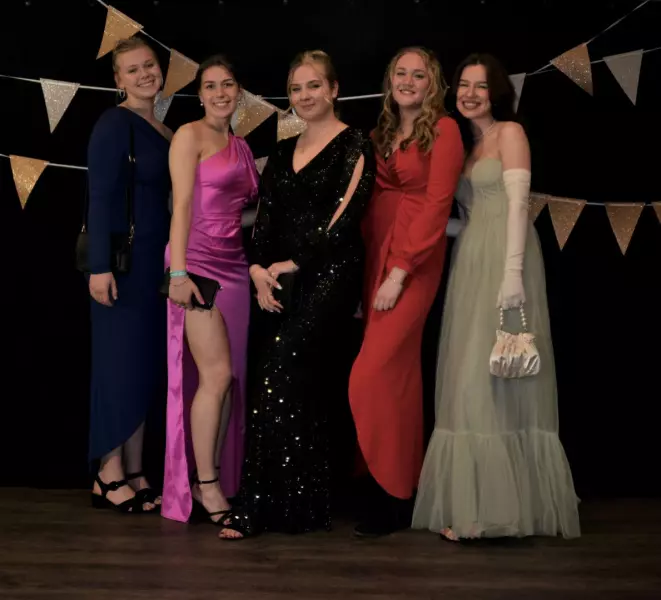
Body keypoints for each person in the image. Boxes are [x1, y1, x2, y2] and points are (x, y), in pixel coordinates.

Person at [412, 53, 580, 541]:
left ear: (497, 92)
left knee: (498, 379)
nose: (469, 94)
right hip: (471, 261)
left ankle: (494, 515)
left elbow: (517, 207)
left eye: (480, 86)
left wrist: (512, 275)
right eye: (463, 85)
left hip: (506, 260)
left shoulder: (510, 133)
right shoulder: (469, 147)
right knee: (469, 378)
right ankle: (479, 507)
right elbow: (470, 217)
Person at [218, 50, 376, 540]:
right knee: (292, 385)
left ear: (334, 89)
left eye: (313, 86)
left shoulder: (355, 144)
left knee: (280, 376)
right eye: (296, 89)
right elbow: (265, 223)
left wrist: (296, 263)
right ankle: (299, 507)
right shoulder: (284, 150)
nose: (304, 96)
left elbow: (343, 220)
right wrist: (257, 269)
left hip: (329, 278)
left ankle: (256, 508)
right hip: (278, 280)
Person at [348, 47, 464, 536]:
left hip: (413, 260)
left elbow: (438, 205)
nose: (408, 81)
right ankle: (392, 490)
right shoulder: (381, 133)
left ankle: (391, 487)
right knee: (397, 376)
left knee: (371, 373)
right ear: (390, 79)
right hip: (377, 254)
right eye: (401, 73)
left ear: (432, 84)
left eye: (419, 75)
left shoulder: (445, 130)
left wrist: (399, 272)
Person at [161, 55, 259, 525]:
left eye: (228, 84)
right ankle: (206, 485)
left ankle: (214, 477)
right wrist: (178, 274)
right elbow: (181, 205)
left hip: (235, 266)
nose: (220, 93)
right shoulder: (189, 135)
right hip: (196, 263)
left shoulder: (240, 145)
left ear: (239, 92)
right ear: (199, 94)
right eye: (211, 86)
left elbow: (241, 212)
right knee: (215, 376)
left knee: (230, 380)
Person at [87, 37, 172, 513]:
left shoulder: (164, 128)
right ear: (118, 79)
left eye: (150, 65)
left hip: (155, 265)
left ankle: (136, 471)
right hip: (121, 265)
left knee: (142, 365)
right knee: (118, 365)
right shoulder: (114, 123)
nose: (144, 75)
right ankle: (109, 472)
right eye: (133, 69)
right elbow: (98, 197)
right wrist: (99, 267)